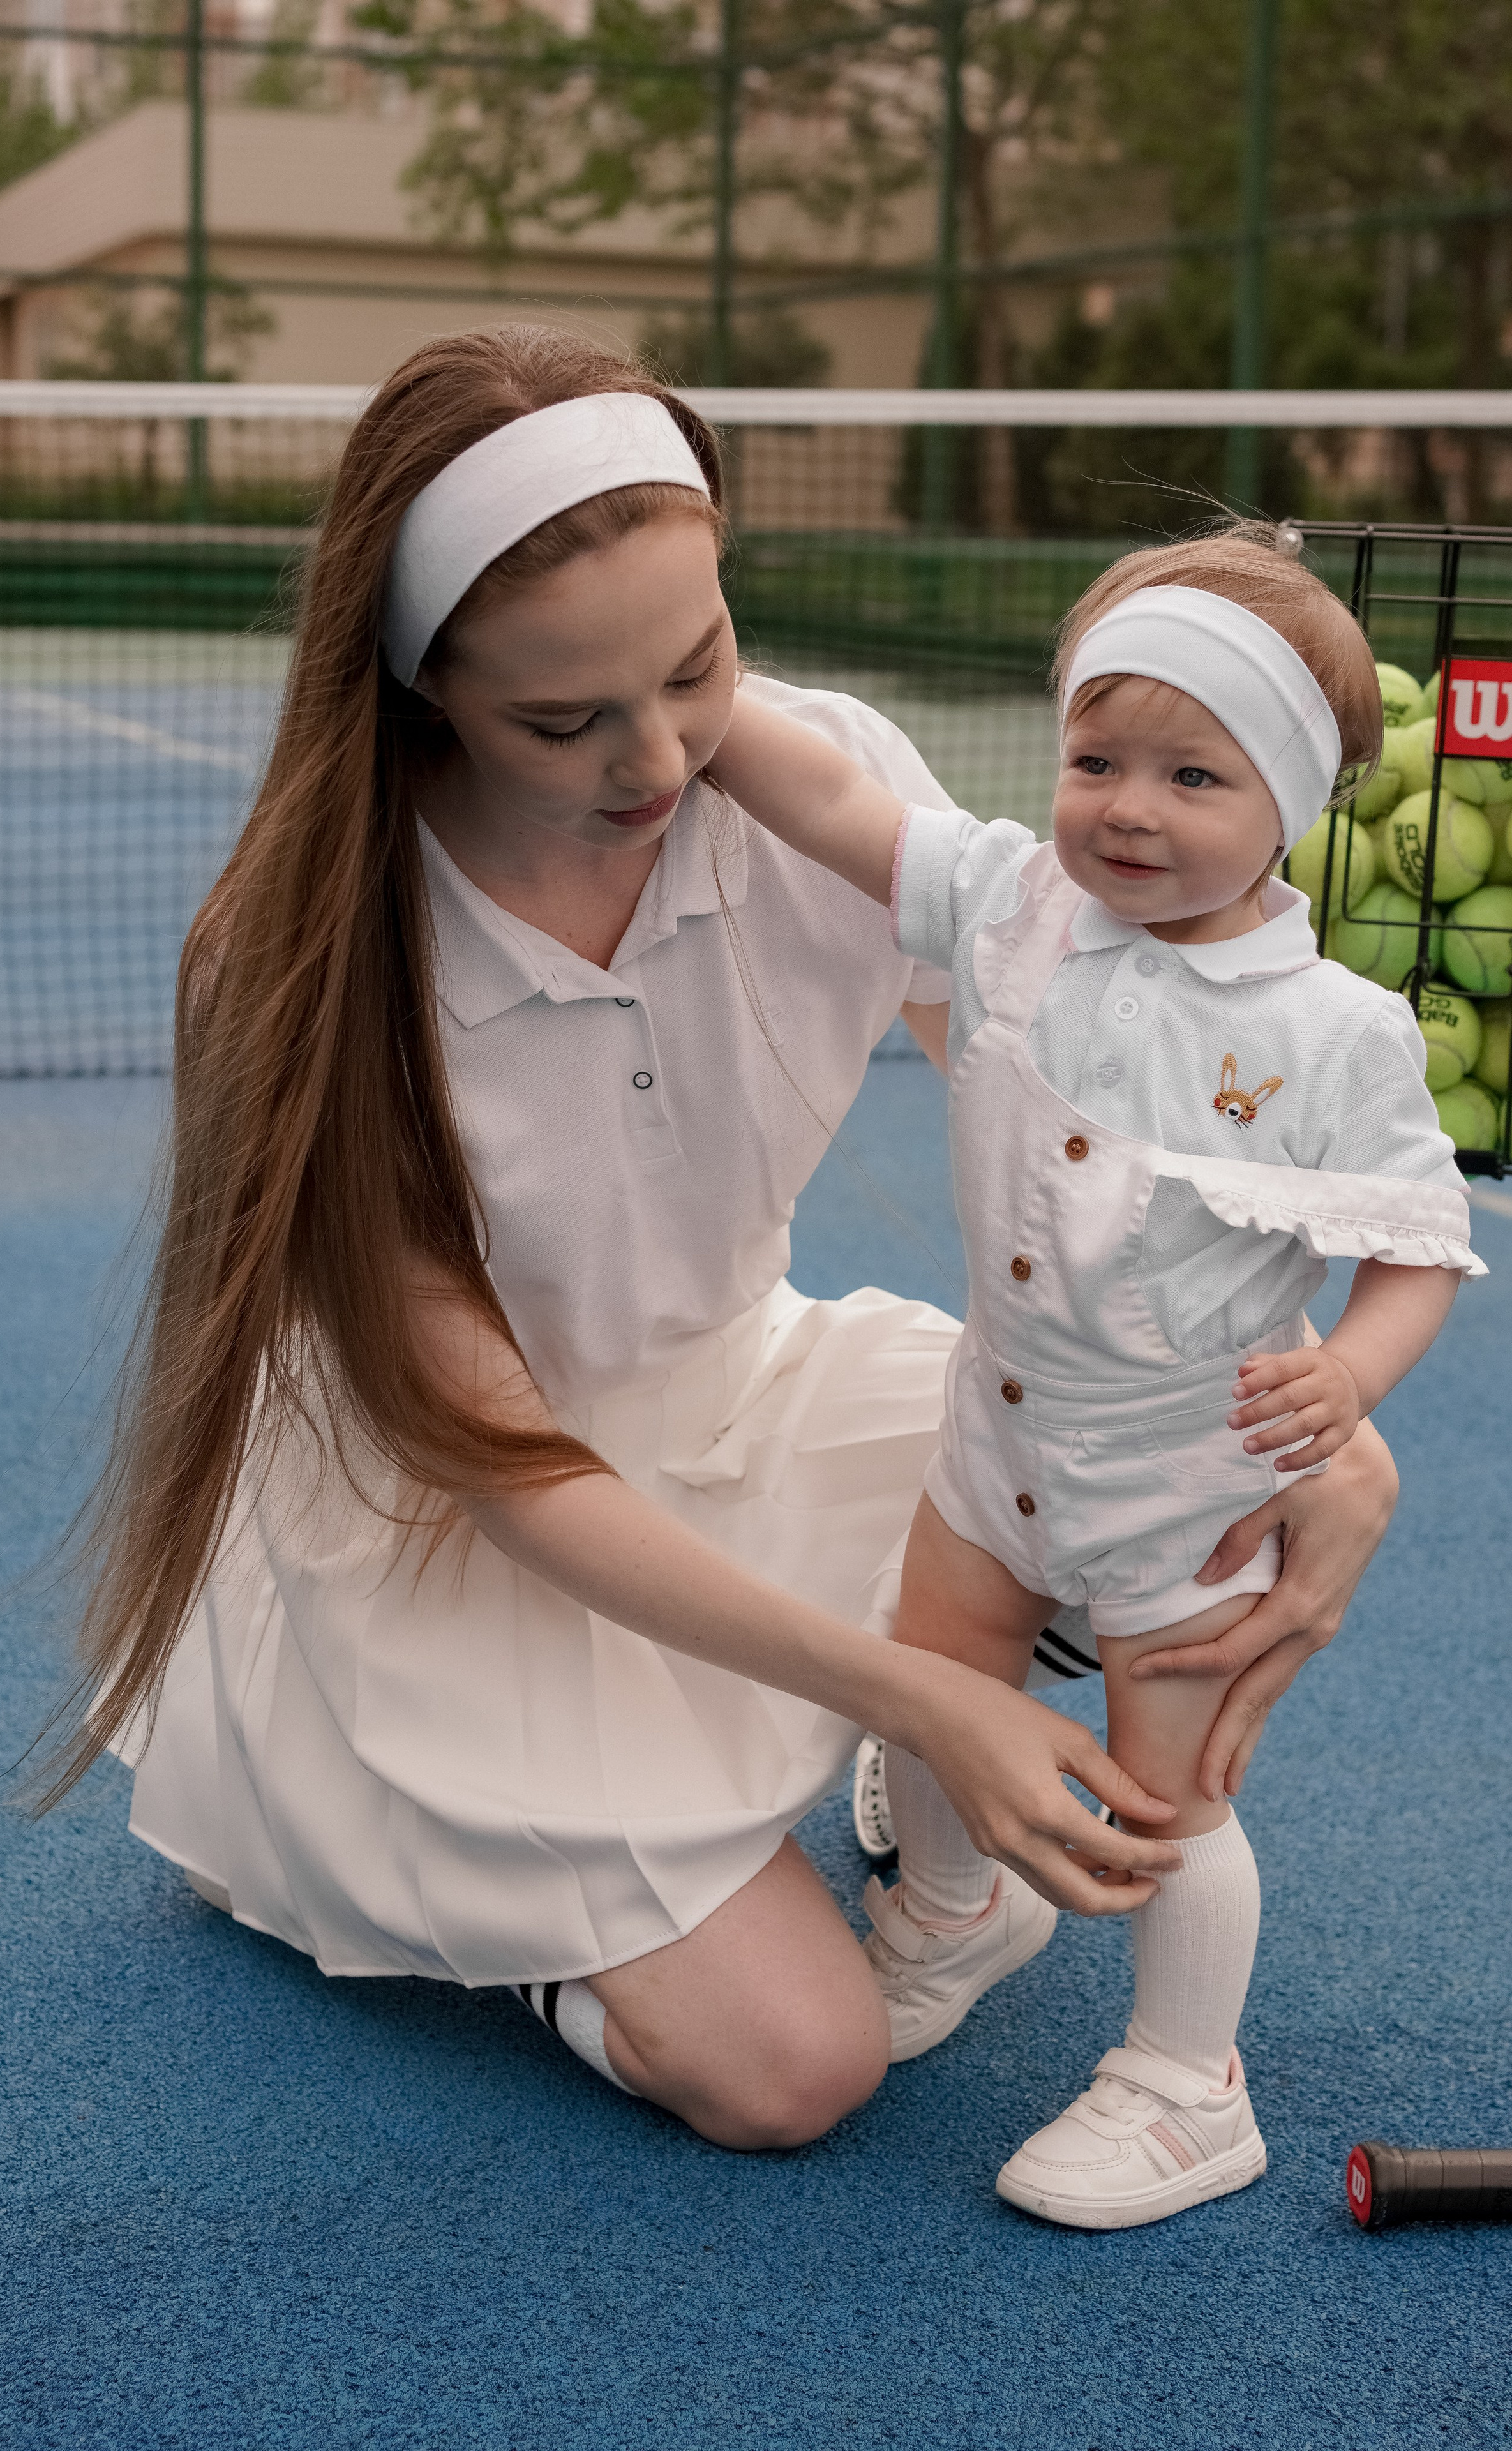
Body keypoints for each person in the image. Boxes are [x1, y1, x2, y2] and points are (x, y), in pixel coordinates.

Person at [47, 327, 1400, 2154]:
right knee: (793, 2068)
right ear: (420, 684)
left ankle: (842, 1744)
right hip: (464, 1525)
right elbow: (508, 1462)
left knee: (1156, 1483)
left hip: (744, 1396)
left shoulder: (830, 783)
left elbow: (1100, 1146)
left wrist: (1327, 1429)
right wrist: (920, 1685)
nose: (662, 756)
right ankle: (355, 1834)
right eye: (562, 719)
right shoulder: (298, 966)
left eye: (699, 667)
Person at [703, 529, 1482, 2217]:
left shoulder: (1337, 1027)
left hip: (1183, 1490)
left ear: (1291, 798)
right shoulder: (1013, 903)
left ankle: (1191, 2084)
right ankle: (955, 1910)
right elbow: (839, 808)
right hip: (993, 1441)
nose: (1127, 806)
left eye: (1194, 773)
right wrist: (689, 686)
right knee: (936, 1674)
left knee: (1169, 1796)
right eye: (1095, 758)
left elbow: (1417, 1247)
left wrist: (1349, 1380)